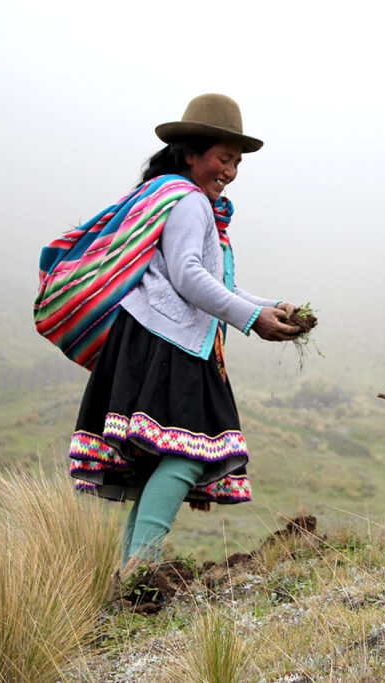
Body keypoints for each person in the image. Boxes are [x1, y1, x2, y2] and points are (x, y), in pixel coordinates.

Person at [67, 94, 305, 568]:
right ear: (190, 153)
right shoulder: (189, 201)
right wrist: (251, 319)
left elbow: (216, 286)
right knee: (189, 454)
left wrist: (270, 306)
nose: (231, 171)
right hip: (167, 341)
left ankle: (132, 570)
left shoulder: (178, 199)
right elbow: (188, 276)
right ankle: (140, 569)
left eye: (237, 162)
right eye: (223, 158)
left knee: (174, 456)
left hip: (162, 339)